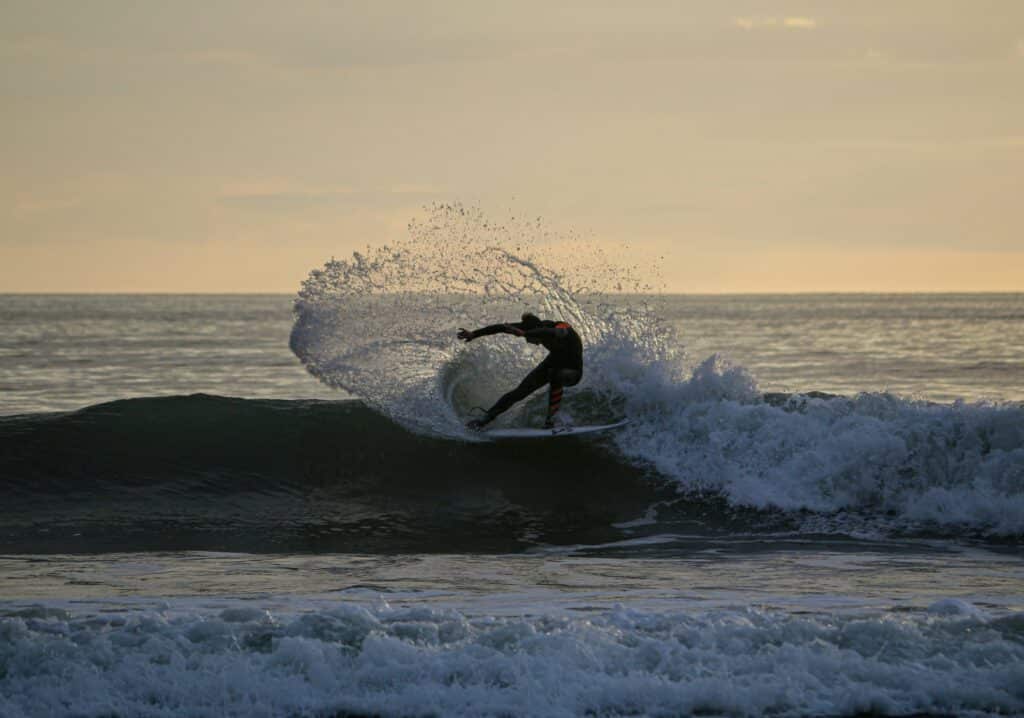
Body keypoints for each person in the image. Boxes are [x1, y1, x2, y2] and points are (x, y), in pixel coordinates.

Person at [457, 312, 583, 430]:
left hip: (573, 371)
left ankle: (551, 421)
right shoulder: (529, 327)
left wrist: (525, 334)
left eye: (529, 337)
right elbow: (501, 327)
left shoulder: (560, 327)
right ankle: (484, 420)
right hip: (553, 363)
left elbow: (550, 331)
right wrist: (474, 334)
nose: (528, 342)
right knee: (519, 392)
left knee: (556, 375)